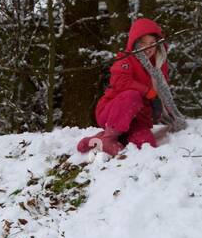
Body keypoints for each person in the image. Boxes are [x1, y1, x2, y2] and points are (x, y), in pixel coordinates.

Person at [76, 17, 184, 156]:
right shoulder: (125, 59)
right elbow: (120, 81)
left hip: (139, 118)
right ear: (135, 43)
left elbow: (162, 93)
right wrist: (148, 92)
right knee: (132, 95)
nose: (148, 48)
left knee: (146, 143)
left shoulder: (158, 66)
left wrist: (166, 113)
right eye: (143, 43)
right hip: (114, 112)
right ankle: (109, 138)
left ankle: (99, 139)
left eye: (152, 43)